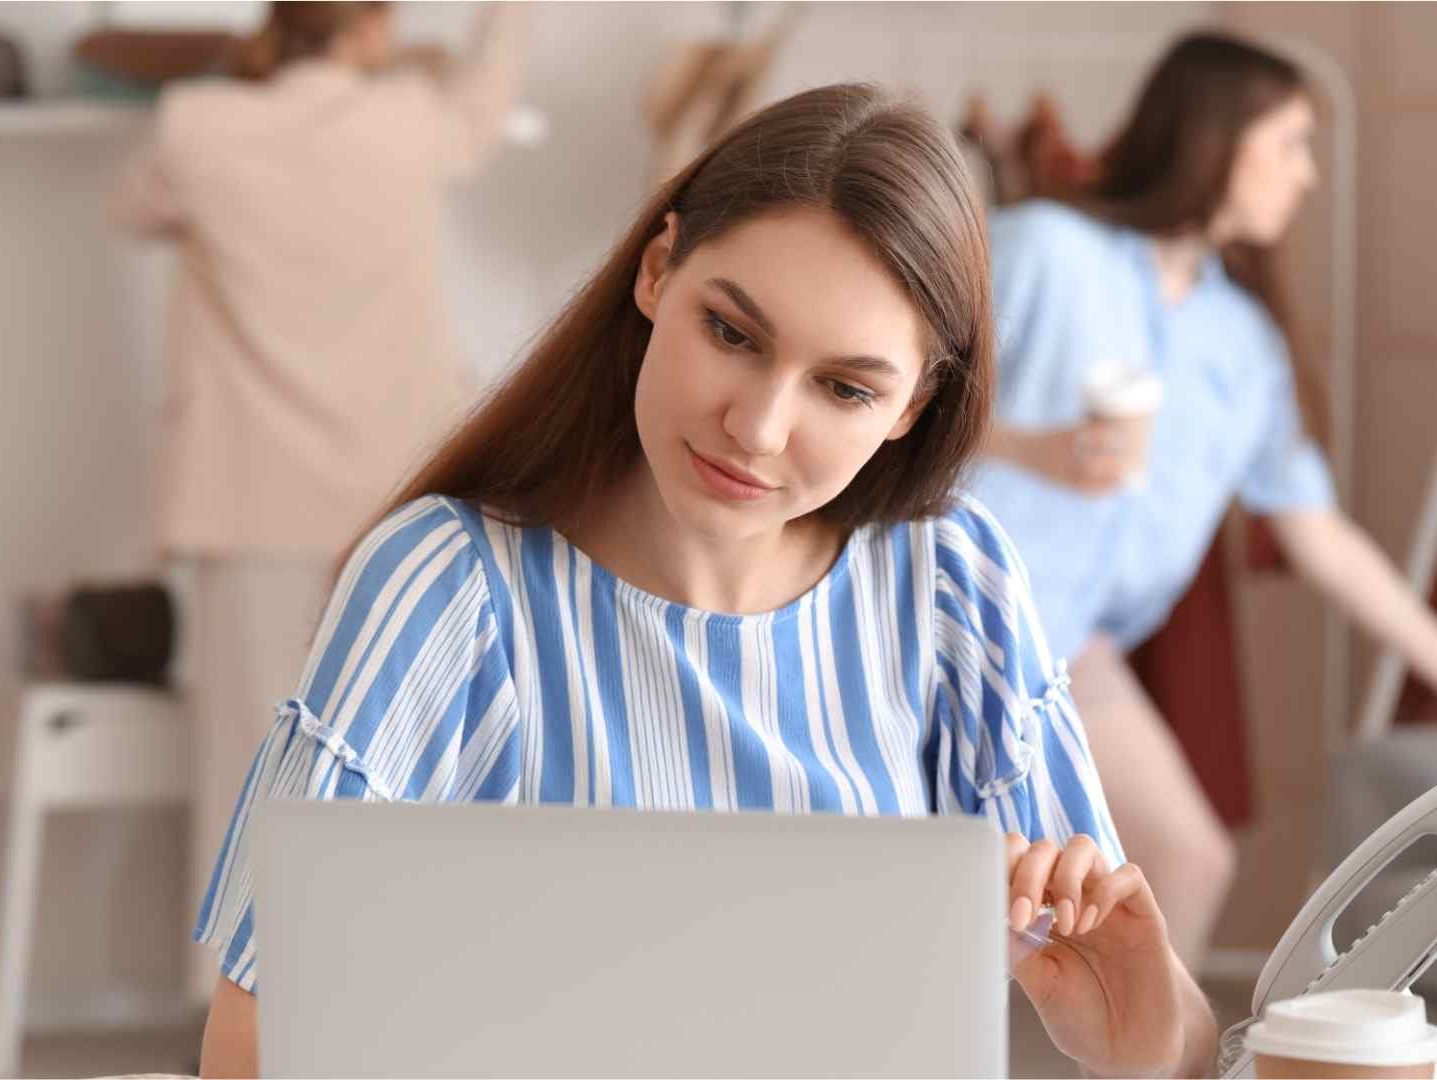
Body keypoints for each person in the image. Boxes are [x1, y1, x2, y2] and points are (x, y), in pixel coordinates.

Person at [191, 83, 1218, 1078]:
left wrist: (1142, 1042)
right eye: (731, 333)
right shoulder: (448, 586)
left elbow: (1171, 1042)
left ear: (910, 408)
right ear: (655, 272)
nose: (758, 427)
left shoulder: (950, 580)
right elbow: (250, 1047)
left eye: (846, 388)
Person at [972, 31, 1437, 973]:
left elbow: (1315, 533)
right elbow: (888, 397)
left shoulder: (1243, 340)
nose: (1306, 177)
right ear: (1217, 141)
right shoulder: (1045, 251)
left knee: (1185, 857)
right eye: (1291, 145)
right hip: (948, 617)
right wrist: (1033, 448)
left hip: (1068, 648)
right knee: (953, 877)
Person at [109, 1, 524, 1002]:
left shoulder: (196, 124)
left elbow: (130, 210)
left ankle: (234, 1024)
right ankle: (380, 1008)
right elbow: (486, 100)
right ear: (372, 29)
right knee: (401, 769)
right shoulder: (411, 120)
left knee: (246, 779)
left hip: (249, 500)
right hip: (399, 499)